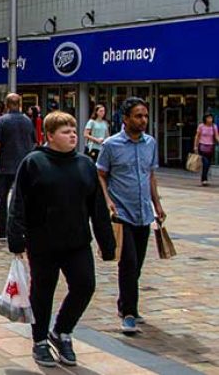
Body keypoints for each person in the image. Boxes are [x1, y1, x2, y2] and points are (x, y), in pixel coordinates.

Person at [8, 112, 116, 368]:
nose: (72, 136)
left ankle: (62, 331)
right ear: (50, 136)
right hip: (42, 241)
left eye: (74, 131)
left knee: (85, 285)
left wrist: (107, 242)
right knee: (43, 291)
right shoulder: (33, 162)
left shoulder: (85, 164)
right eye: (65, 132)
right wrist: (16, 238)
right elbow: (18, 202)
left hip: (77, 241)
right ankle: (40, 340)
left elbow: (97, 206)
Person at [97, 97, 166, 335]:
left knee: (137, 266)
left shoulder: (150, 143)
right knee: (129, 262)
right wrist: (107, 200)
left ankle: (124, 303)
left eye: (145, 115)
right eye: (138, 116)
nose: (143, 120)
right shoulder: (111, 145)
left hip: (143, 212)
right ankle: (128, 313)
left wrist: (157, 204)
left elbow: (151, 175)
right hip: (121, 213)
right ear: (125, 119)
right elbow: (101, 175)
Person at [0, 93, 36, 239]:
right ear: (20, 104)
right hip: (23, 166)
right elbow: (34, 143)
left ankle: (2, 230)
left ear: (6, 105)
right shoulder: (27, 121)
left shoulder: (2, 121)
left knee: (1, 199)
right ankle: (22, 229)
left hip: (5, 166)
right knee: (23, 199)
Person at [194, 113, 219, 186]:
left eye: (211, 118)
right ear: (205, 119)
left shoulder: (214, 126)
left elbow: (217, 136)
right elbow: (197, 136)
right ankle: (204, 179)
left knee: (208, 164)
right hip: (202, 146)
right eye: (208, 118)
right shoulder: (201, 126)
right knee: (206, 163)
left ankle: (204, 178)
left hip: (210, 147)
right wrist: (195, 146)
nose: (210, 119)